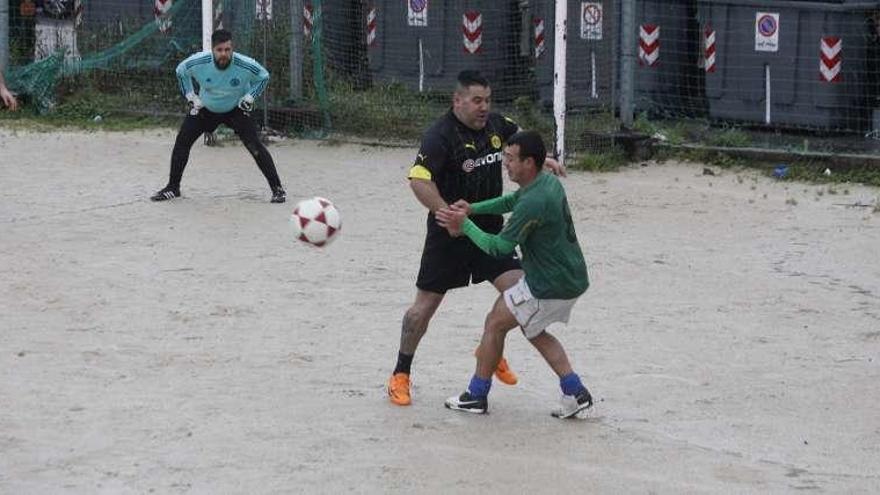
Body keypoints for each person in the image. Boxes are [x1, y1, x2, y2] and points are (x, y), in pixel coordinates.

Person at [387, 70, 566, 406]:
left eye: (487, 100)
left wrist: (545, 162)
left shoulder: (498, 126)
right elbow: (418, 180)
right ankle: (400, 374)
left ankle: (490, 347)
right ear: (458, 100)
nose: (484, 107)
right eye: (476, 101)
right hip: (448, 233)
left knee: (521, 294)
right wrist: (447, 214)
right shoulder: (439, 137)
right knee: (420, 312)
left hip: (490, 230)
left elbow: (525, 146)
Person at [435, 130, 593, 418]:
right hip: (570, 277)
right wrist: (472, 209)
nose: (504, 164)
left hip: (549, 286)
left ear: (529, 163)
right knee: (533, 330)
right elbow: (512, 202)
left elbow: (498, 248)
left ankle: (476, 395)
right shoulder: (545, 183)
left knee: (495, 323)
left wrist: (464, 225)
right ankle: (575, 391)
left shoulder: (534, 202)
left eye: (510, 159)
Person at [151, 29, 286, 203]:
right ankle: (172, 188)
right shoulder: (199, 62)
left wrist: (250, 97)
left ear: (232, 49)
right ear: (213, 49)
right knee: (182, 142)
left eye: (228, 50)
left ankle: (277, 189)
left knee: (255, 146)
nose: (224, 54)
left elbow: (263, 76)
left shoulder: (245, 64)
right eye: (220, 50)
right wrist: (191, 97)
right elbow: (180, 71)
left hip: (236, 109)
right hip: (207, 108)